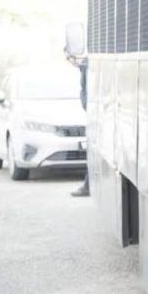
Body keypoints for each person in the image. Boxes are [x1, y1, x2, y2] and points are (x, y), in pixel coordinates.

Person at [67, 51, 89, 197]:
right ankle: (88, 185)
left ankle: (88, 185)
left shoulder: (87, 65)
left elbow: (87, 93)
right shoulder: (85, 67)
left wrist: (87, 105)